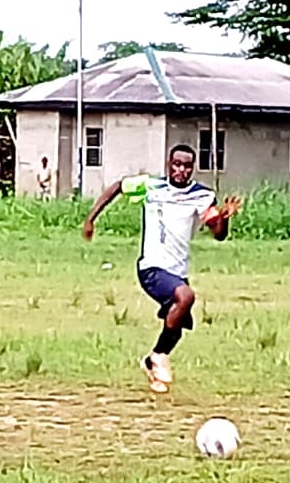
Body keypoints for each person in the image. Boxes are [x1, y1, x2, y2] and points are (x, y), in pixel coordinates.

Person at [83, 145, 241, 394]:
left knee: (176, 326)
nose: (181, 170)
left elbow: (218, 234)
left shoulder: (202, 195)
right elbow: (117, 187)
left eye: (187, 166)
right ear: (169, 164)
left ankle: (153, 360)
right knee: (185, 296)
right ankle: (158, 358)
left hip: (177, 272)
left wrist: (225, 218)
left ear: (193, 168)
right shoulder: (151, 186)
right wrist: (91, 218)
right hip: (151, 266)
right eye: (176, 164)